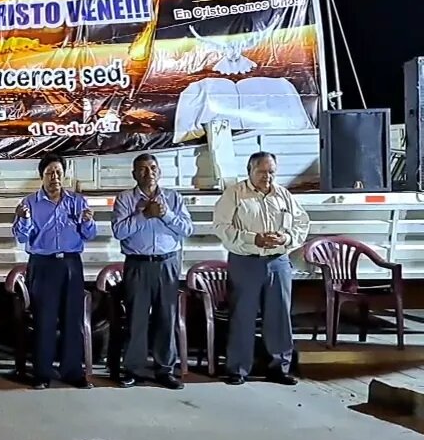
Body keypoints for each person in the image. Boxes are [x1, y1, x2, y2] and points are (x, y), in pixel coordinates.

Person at [211, 151, 310, 386]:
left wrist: (285, 238)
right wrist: (252, 239)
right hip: (246, 262)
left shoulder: (283, 195)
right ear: (250, 171)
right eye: (262, 172)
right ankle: (237, 369)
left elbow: (302, 223)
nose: (268, 176)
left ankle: (279, 367)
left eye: (272, 171)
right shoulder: (234, 194)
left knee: (279, 317)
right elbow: (221, 226)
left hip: (278, 262)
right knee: (242, 317)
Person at [12, 153, 96, 390]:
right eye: (49, 173)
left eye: (58, 172)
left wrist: (88, 221)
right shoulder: (29, 203)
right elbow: (20, 236)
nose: (55, 177)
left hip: (71, 263)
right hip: (43, 264)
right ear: (42, 176)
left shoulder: (77, 202)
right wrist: (23, 220)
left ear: (64, 175)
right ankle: (42, 373)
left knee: (73, 319)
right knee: (44, 320)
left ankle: (72, 372)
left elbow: (89, 235)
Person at [110, 153, 194, 389]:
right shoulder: (125, 199)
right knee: (136, 319)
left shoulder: (173, 198)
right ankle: (133, 369)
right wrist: (144, 214)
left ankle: (165, 370)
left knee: (166, 318)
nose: (149, 173)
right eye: (143, 169)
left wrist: (165, 214)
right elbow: (119, 231)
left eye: (153, 168)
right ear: (135, 174)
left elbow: (187, 229)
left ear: (160, 171)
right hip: (138, 264)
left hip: (167, 263)